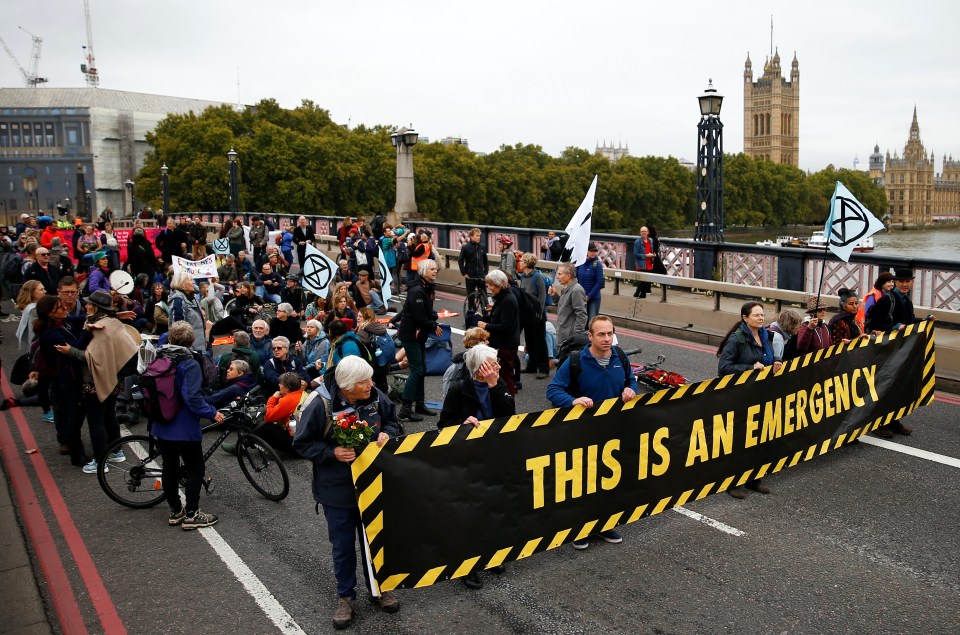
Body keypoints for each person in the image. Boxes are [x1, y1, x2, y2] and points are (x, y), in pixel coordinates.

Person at [292, 356, 400, 629]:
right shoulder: (320, 403)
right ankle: (346, 597)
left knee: (376, 540)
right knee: (342, 546)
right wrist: (332, 453)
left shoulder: (375, 396)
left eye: (370, 379)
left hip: (372, 485)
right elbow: (301, 443)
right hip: (336, 491)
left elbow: (392, 421)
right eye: (364, 381)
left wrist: (387, 434)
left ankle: (379, 589)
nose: (371, 385)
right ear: (346, 386)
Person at [546, 315, 636, 548]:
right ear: (591, 336)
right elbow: (553, 390)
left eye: (610, 334)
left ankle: (604, 524)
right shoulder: (576, 361)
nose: (607, 339)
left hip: (613, 430)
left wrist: (630, 389)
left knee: (609, 480)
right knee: (583, 482)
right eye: (601, 334)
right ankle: (580, 529)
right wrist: (573, 401)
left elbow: (631, 380)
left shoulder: (621, 357)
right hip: (582, 432)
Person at [149, 321, 225, 529]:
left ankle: (175, 511)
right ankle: (192, 514)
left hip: (161, 422)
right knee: (195, 468)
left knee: (169, 468)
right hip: (182, 426)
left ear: (170, 339)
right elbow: (192, 398)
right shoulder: (189, 363)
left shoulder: (160, 354)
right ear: (191, 340)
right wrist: (212, 413)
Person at [56, 290, 140, 474]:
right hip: (114, 380)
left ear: (96, 307)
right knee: (109, 416)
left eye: (89, 304)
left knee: (96, 421)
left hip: (95, 382)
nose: (85, 306)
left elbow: (91, 358)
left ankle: (100, 461)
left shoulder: (99, 328)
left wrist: (69, 351)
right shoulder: (112, 322)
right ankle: (116, 451)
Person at [716, 302, 777, 498]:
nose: (761, 318)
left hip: (760, 394)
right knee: (739, 440)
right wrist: (749, 368)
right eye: (756, 315)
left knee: (759, 437)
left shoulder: (765, 336)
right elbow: (724, 367)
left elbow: (768, 358)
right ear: (745, 318)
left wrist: (776, 362)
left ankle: (754, 479)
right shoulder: (737, 339)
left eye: (762, 314)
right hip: (739, 397)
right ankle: (732, 483)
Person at [865, 267, 933, 437]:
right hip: (886, 350)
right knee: (884, 386)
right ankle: (878, 423)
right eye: (901, 281)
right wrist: (893, 327)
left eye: (908, 281)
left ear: (912, 282)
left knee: (897, 387)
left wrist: (924, 322)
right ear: (895, 282)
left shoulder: (906, 301)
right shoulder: (887, 299)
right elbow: (873, 325)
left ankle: (893, 420)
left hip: (900, 350)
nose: (904, 284)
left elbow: (908, 323)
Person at [397, 258, 441, 421]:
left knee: (421, 368)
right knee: (416, 370)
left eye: (436, 269)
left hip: (418, 334)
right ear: (423, 272)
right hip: (411, 335)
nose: (435, 271)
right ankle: (405, 410)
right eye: (432, 269)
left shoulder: (426, 287)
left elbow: (423, 311)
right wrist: (433, 324)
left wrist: (432, 316)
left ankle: (420, 405)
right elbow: (418, 316)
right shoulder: (417, 290)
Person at [476, 269, 520, 396]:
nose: (489, 287)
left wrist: (487, 325)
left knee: (506, 377)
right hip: (502, 344)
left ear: (499, 285)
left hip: (505, 345)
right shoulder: (503, 298)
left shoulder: (508, 300)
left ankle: (508, 403)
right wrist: (486, 317)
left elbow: (506, 326)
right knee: (500, 375)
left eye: (491, 285)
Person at [518, 253, 549, 378]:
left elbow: (542, 297)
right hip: (527, 315)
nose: (519, 262)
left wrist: (539, 314)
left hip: (537, 315)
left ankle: (544, 369)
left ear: (526, 263)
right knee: (530, 341)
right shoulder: (523, 276)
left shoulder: (538, 277)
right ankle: (532, 366)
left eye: (521, 261)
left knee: (540, 342)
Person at [549, 263, 588, 350]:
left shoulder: (576, 290)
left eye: (559, 274)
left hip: (569, 338)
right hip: (562, 335)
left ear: (568, 276)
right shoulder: (567, 288)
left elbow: (581, 315)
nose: (557, 277)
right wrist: (554, 295)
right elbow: (563, 306)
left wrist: (575, 337)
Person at [168, 272, 209, 351]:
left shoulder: (192, 298)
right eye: (191, 280)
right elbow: (179, 332)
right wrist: (189, 350)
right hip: (189, 350)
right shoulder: (178, 302)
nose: (193, 282)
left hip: (198, 346)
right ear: (182, 284)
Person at [458, 228, 488, 308]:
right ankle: (471, 315)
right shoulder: (465, 247)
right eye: (477, 236)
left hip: (481, 275)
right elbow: (460, 260)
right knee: (471, 298)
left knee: (484, 297)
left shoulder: (482, 247)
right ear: (471, 236)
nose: (479, 237)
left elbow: (485, 260)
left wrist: (486, 272)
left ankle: (485, 315)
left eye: (479, 236)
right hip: (470, 276)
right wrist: (464, 273)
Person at [577, 242, 605, 320]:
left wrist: (589, 296)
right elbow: (576, 279)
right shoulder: (580, 263)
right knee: (582, 321)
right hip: (581, 297)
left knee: (592, 321)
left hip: (594, 298)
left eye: (594, 251)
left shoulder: (597, 264)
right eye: (591, 251)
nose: (593, 253)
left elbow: (599, 282)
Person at [16, 280, 46, 352]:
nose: (45, 291)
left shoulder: (29, 307)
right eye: (41, 289)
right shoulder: (34, 310)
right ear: (32, 292)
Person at [632, 226, 661, 298]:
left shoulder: (650, 240)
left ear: (647, 232)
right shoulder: (637, 242)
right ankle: (638, 293)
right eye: (642, 231)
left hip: (649, 262)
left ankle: (642, 295)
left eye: (645, 231)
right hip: (642, 264)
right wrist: (646, 255)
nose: (643, 233)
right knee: (643, 279)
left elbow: (651, 250)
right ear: (640, 233)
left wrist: (653, 254)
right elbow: (635, 254)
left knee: (646, 280)